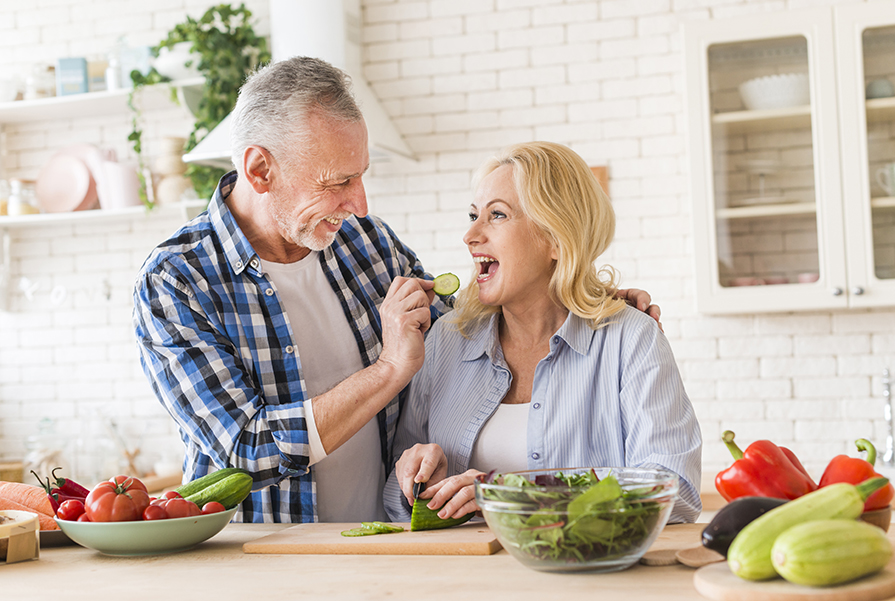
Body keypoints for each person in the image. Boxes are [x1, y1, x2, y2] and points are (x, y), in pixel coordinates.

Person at [133, 56, 660, 524]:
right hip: (262, 561)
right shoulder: (177, 281)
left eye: (361, 176)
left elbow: (470, 333)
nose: (359, 203)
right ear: (260, 169)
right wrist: (389, 370)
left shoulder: (368, 243)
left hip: (381, 542)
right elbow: (246, 451)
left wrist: (589, 301)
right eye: (338, 182)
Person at [384, 142, 701, 525]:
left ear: (555, 237)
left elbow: (674, 489)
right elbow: (394, 498)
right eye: (473, 215)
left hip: (582, 579)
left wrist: (517, 495)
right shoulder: (447, 340)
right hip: (464, 579)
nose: (470, 235)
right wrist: (417, 483)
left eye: (496, 215)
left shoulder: (630, 339)